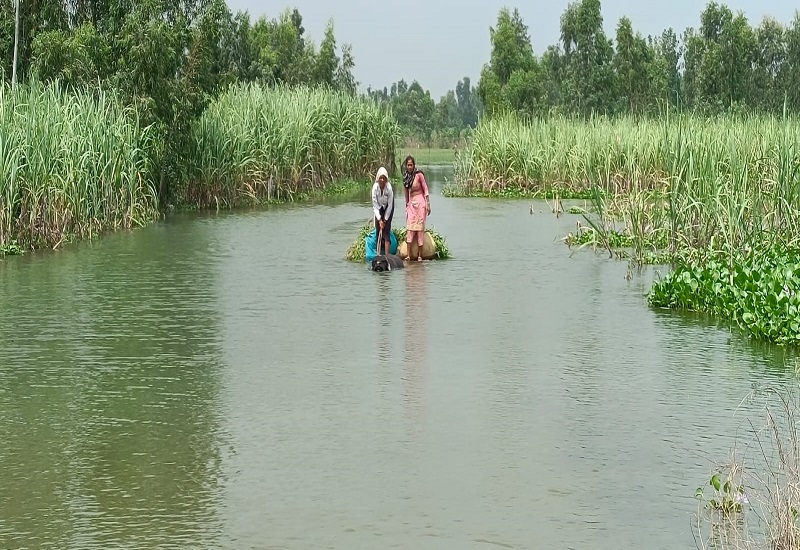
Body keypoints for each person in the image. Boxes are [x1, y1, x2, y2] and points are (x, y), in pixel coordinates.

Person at [402, 155, 431, 261]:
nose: (410, 167)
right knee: (410, 229)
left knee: (419, 229)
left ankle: (419, 255)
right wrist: (407, 205)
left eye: (411, 165)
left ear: (414, 166)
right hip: (411, 203)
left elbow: (426, 188)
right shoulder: (406, 177)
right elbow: (406, 193)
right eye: (408, 165)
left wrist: (428, 203)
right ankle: (408, 255)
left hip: (420, 203)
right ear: (406, 166)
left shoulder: (419, 175)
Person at [371, 166, 394, 255]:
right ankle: (378, 253)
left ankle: (387, 254)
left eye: (384, 178)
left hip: (388, 207)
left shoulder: (389, 188)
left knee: (386, 229)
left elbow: (390, 205)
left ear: (386, 179)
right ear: (378, 178)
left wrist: (385, 220)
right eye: (380, 178)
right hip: (379, 207)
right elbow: (375, 205)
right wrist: (380, 220)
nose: (382, 180)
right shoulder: (375, 188)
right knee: (378, 229)